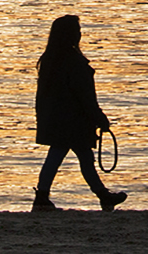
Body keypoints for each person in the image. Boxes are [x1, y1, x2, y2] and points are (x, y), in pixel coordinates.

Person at [32, 13, 127, 212]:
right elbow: (85, 95)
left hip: (60, 119)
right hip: (73, 120)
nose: (80, 35)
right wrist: (98, 117)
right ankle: (101, 196)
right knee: (76, 157)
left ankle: (45, 196)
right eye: (77, 31)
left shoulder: (50, 60)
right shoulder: (73, 62)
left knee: (69, 156)